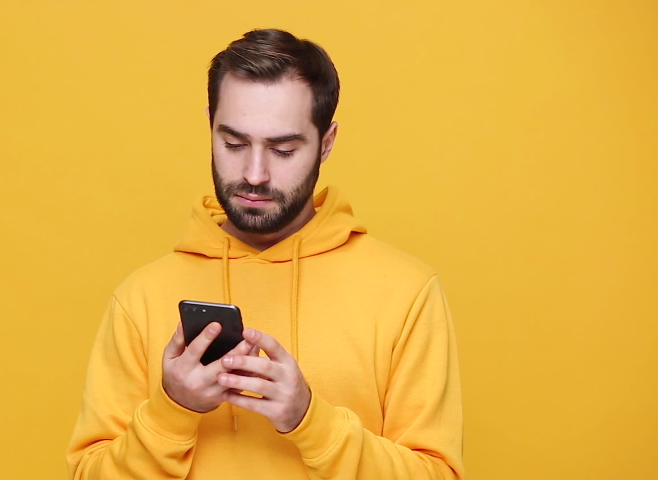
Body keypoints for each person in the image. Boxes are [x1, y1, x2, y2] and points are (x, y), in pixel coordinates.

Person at [66, 28, 464, 479]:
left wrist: (310, 421)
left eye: (283, 149)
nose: (255, 174)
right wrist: (173, 409)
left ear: (326, 143)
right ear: (210, 127)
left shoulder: (407, 294)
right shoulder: (139, 297)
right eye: (234, 144)